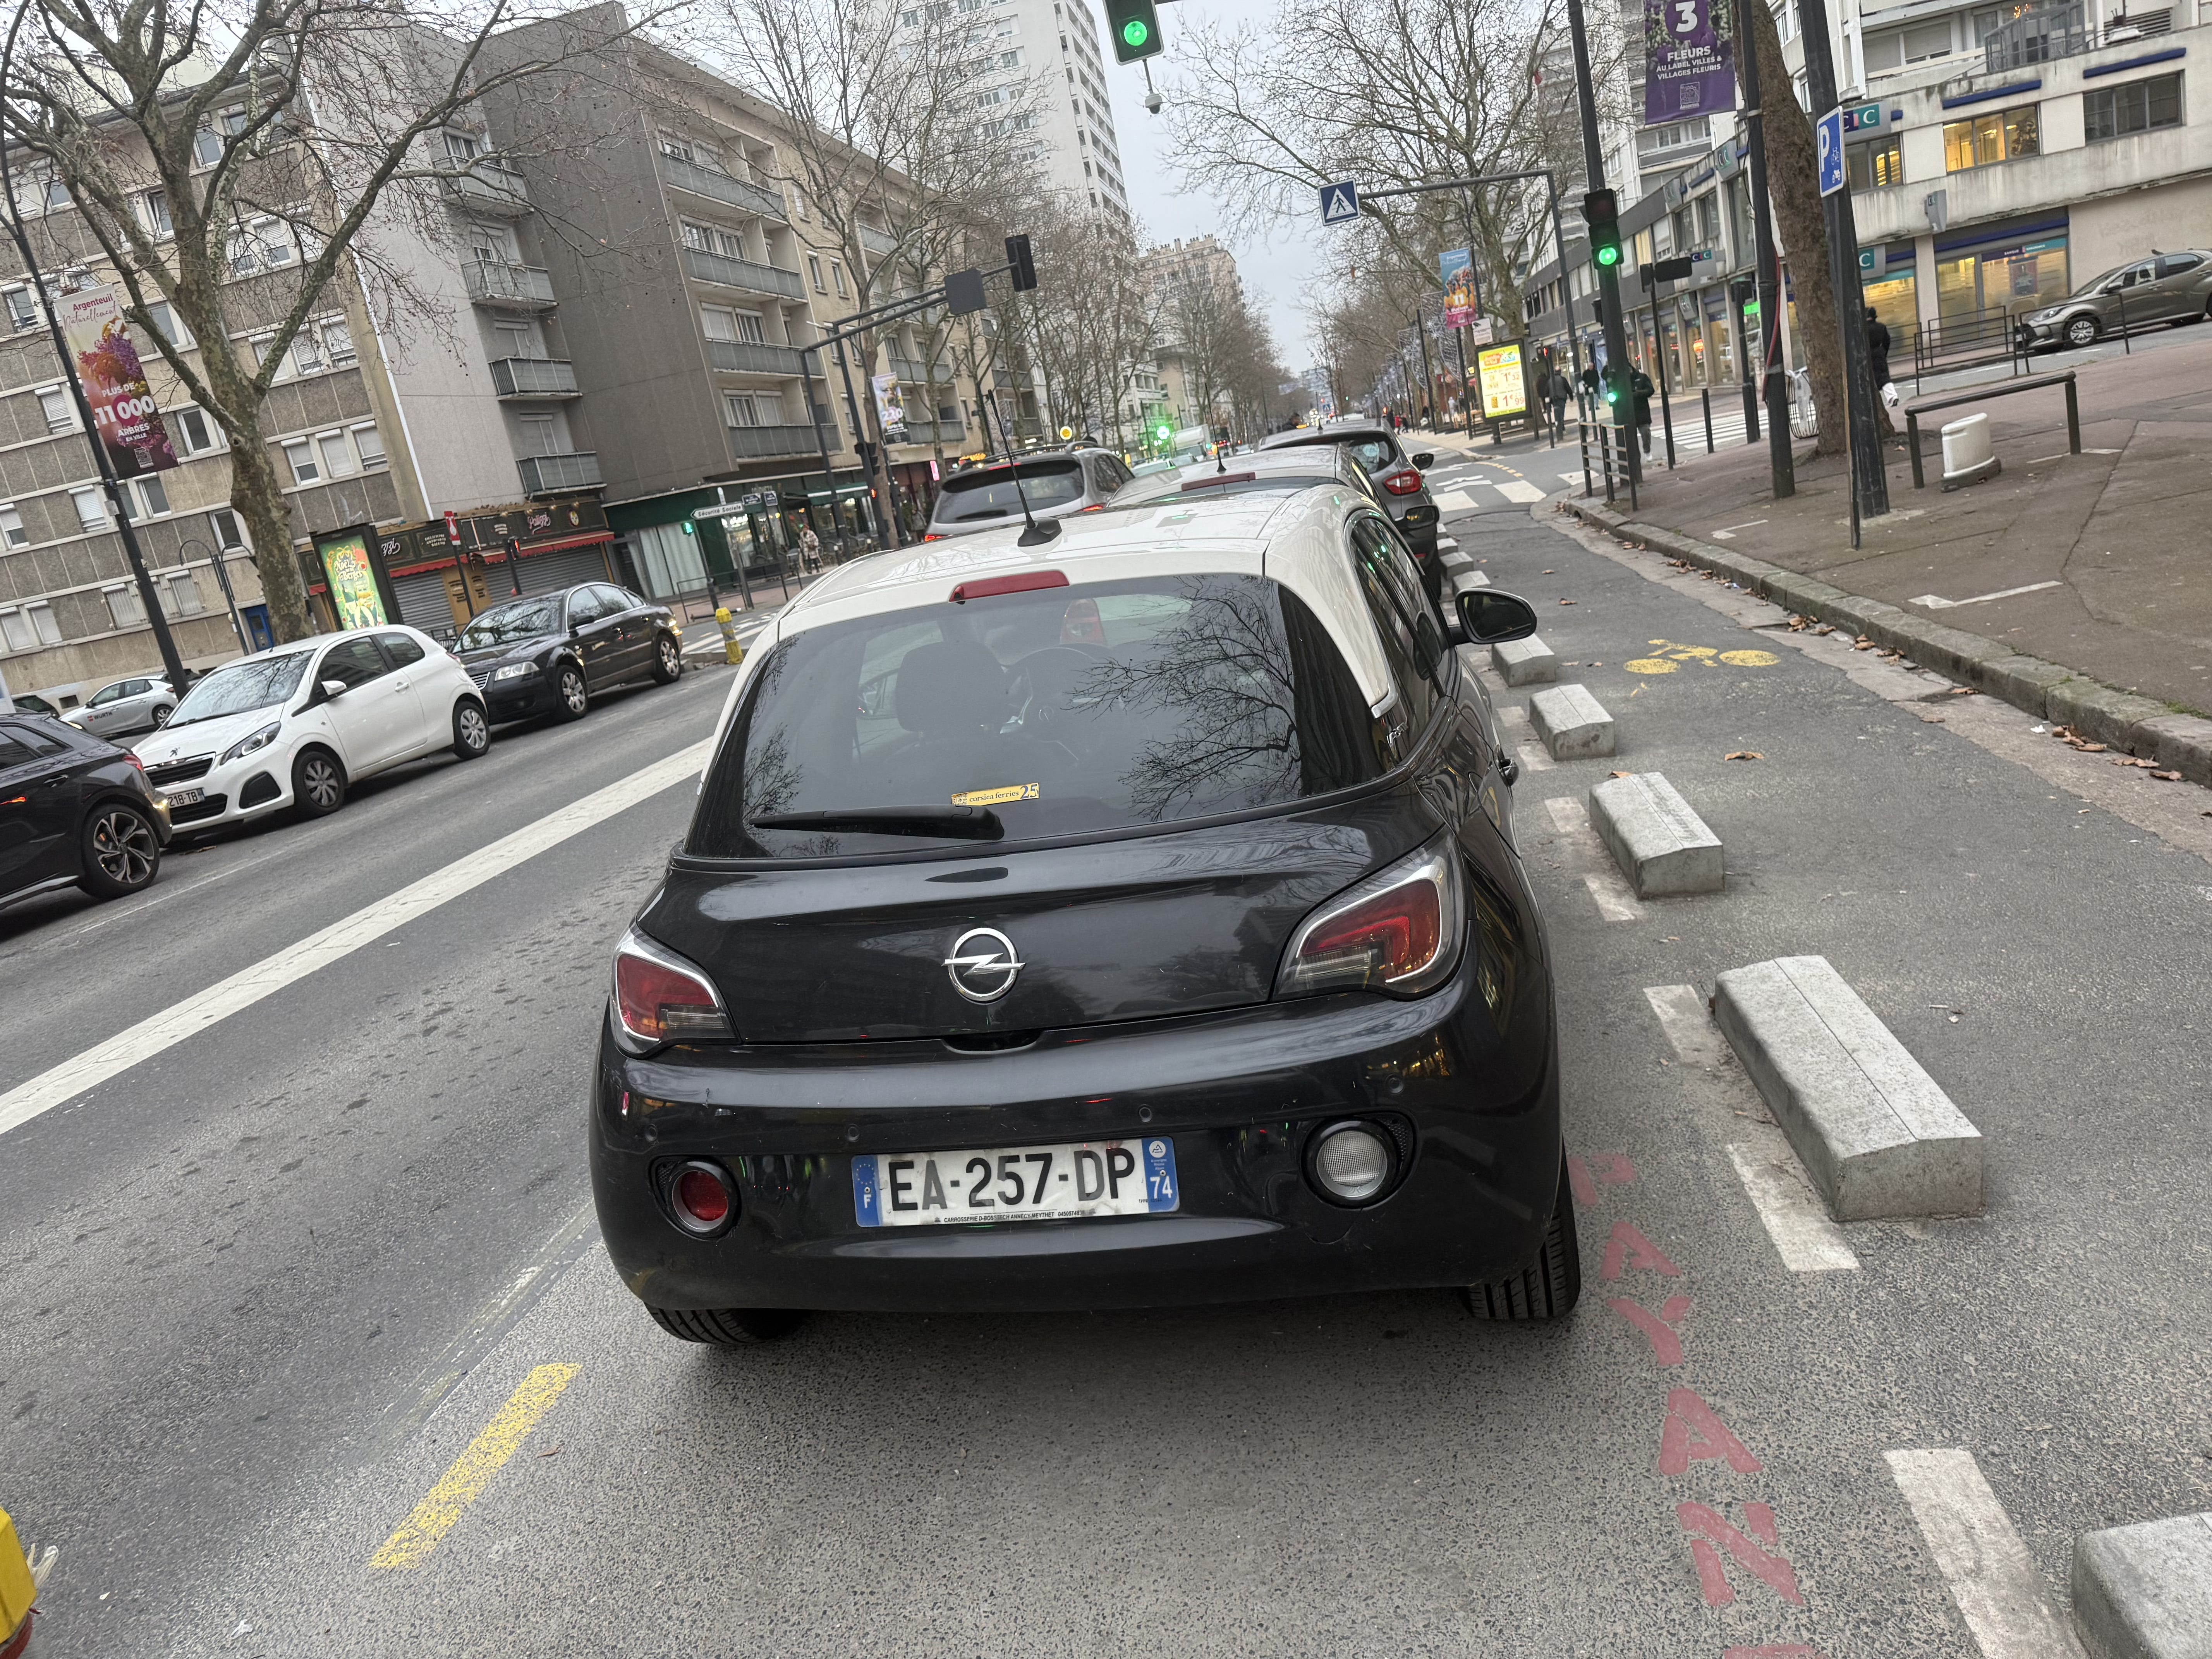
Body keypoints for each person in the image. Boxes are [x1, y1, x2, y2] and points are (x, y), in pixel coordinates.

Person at [1865, 306, 1897, 409]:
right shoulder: (1881, 327)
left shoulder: (1863, 329)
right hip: (1879, 353)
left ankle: (1872, 403)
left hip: (1868, 355)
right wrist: (1883, 352)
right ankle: (1892, 397)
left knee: (1870, 379)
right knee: (1884, 377)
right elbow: (1887, 341)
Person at [1630, 366, 1655, 454]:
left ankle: (1647, 451)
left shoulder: (1642, 377)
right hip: (1628, 413)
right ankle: (1635, 456)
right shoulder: (1621, 380)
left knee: (1645, 432)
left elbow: (1651, 390)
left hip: (1642, 411)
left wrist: (1638, 394)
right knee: (1629, 438)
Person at [1546, 366, 1571, 441]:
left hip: (1554, 400)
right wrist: (1571, 396)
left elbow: (1547, 391)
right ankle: (1562, 427)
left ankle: (1559, 427)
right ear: (1560, 372)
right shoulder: (1562, 379)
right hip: (1562, 399)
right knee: (1561, 414)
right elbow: (1568, 388)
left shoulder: (1550, 380)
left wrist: (1548, 402)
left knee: (1557, 413)